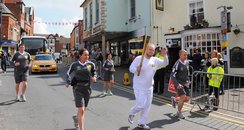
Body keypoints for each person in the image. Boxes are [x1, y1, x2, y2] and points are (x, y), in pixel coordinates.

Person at [128, 43, 168, 129]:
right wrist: (136, 69)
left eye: (153, 50)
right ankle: (132, 112)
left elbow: (165, 63)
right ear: (146, 49)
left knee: (147, 106)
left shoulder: (155, 60)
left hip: (149, 87)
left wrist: (165, 55)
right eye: (150, 49)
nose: (151, 51)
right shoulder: (139, 59)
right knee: (141, 105)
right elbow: (131, 68)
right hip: (139, 86)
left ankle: (142, 123)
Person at [66, 48, 97, 130]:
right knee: (82, 110)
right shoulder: (75, 64)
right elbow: (68, 73)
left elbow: (94, 72)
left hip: (87, 88)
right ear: (80, 55)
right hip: (77, 87)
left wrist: (94, 77)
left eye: (88, 54)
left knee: (83, 109)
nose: (87, 56)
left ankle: (76, 118)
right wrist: (68, 81)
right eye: (85, 54)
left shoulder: (91, 64)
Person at [170, 50, 190, 119]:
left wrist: (188, 81)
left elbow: (187, 73)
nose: (186, 56)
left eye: (186, 55)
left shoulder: (187, 62)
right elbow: (172, 75)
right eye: (184, 55)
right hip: (178, 83)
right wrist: (177, 84)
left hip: (185, 83)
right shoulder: (177, 64)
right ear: (180, 55)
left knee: (187, 99)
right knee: (183, 96)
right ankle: (178, 112)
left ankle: (175, 99)